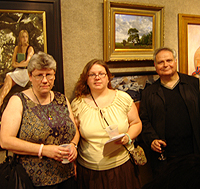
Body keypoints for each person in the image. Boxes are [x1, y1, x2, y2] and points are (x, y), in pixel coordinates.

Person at [0, 51, 79, 188]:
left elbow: (74, 130)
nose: (44, 80)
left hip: (66, 178)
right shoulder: (18, 101)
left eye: (49, 75)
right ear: (30, 76)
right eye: (39, 75)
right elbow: (5, 141)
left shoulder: (62, 99)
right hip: (32, 181)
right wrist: (43, 150)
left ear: (54, 75)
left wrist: (73, 145)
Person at [71, 59, 142, 189]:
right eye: (92, 74)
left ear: (108, 77)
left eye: (101, 73)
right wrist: (72, 162)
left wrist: (127, 136)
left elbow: (136, 123)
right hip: (90, 171)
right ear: (86, 79)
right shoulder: (77, 104)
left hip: (121, 167)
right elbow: (74, 134)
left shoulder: (123, 98)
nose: (97, 77)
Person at [139, 47, 200, 177]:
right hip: (165, 157)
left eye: (169, 60)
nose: (165, 65)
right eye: (161, 62)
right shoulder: (148, 93)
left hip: (194, 152)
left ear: (175, 61)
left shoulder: (194, 84)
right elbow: (144, 121)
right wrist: (152, 139)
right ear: (155, 65)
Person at [0, 30, 34, 107]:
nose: (25, 39)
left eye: (26, 37)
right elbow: (12, 63)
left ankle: (0, 100)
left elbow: (27, 63)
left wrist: (17, 64)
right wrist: (19, 64)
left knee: (8, 76)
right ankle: (1, 100)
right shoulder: (17, 48)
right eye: (23, 37)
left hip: (26, 72)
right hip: (18, 71)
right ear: (20, 38)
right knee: (5, 85)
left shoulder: (30, 48)